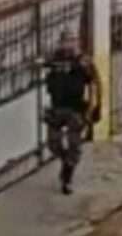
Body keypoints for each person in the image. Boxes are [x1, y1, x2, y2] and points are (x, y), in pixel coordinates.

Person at [42, 31, 102, 195]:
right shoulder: (54, 59)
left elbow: (95, 84)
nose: (69, 44)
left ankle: (67, 178)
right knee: (52, 143)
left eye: (72, 41)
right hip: (57, 108)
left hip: (76, 109)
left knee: (74, 144)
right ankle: (66, 162)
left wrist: (95, 107)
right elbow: (40, 65)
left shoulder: (84, 61)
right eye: (66, 41)